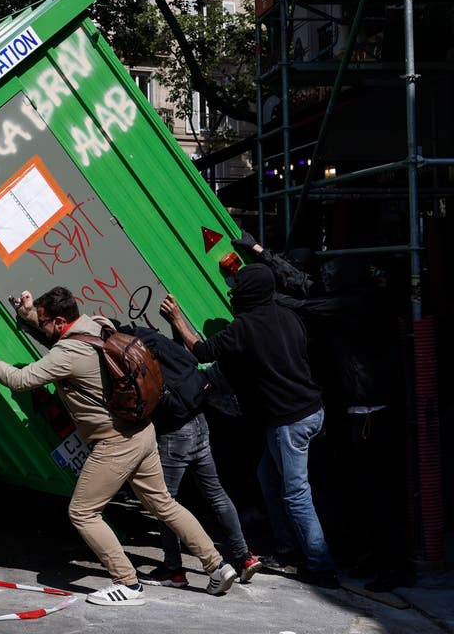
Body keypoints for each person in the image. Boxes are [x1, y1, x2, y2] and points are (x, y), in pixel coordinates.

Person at [0, 287, 237, 606]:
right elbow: (60, 337)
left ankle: (127, 584)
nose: (42, 326)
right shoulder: (99, 324)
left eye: (44, 321)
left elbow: (20, 380)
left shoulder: (67, 354)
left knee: (82, 512)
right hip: (142, 430)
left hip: (115, 441)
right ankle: (217, 566)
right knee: (164, 503)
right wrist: (29, 315)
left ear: (59, 320)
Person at [237, 235, 412, 591]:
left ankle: (393, 566)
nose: (325, 277)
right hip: (354, 412)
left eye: (333, 272)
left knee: (377, 494)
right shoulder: (348, 297)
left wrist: (261, 297)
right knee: (358, 492)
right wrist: (258, 252)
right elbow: (305, 284)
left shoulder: (357, 304)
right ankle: (372, 556)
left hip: (371, 415)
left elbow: (304, 304)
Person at [161, 263, 337, 587]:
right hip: (312, 411)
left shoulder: (245, 327)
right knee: (268, 478)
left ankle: (321, 566)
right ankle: (287, 550)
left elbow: (202, 351)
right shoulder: (288, 316)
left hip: (289, 422)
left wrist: (176, 319)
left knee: (296, 493)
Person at [133, 326, 262, 589]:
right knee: (216, 493)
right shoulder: (164, 346)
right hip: (199, 423)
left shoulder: (137, 357)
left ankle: (173, 569)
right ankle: (244, 557)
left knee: (165, 504)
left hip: (174, 434)